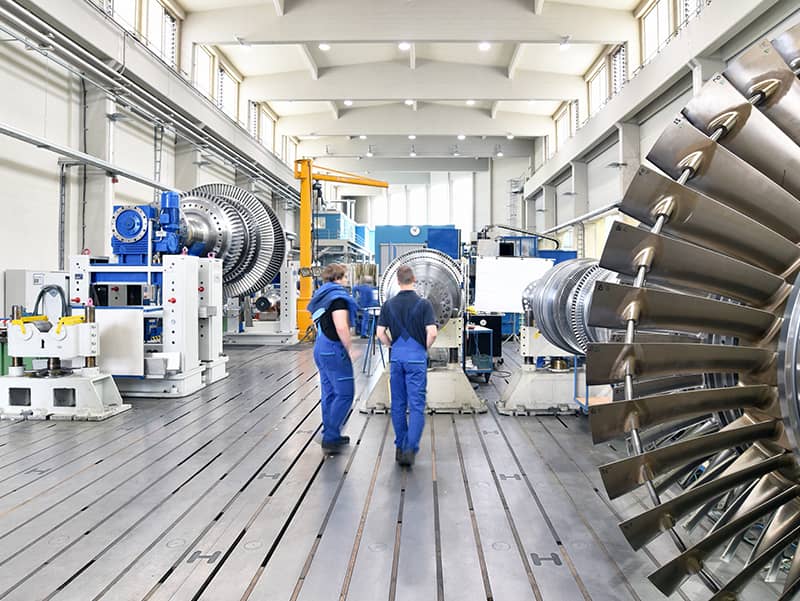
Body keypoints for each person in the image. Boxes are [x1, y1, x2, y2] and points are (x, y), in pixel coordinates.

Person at [376, 265, 438, 467]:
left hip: (397, 358)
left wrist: (391, 346)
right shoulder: (424, 304)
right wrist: (423, 347)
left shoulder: (388, 305)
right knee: (417, 406)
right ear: (414, 280)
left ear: (397, 281)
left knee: (398, 404)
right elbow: (433, 332)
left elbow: (380, 333)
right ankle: (411, 448)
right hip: (416, 358)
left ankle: (400, 446)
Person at [307, 263, 360, 454]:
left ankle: (331, 432)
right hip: (334, 349)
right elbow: (341, 327)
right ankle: (330, 436)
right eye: (345, 276)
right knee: (345, 393)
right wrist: (350, 348)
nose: (346, 280)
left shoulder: (321, 296)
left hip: (320, 347)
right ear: (339, 277)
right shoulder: (338, 299)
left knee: (329, 392)